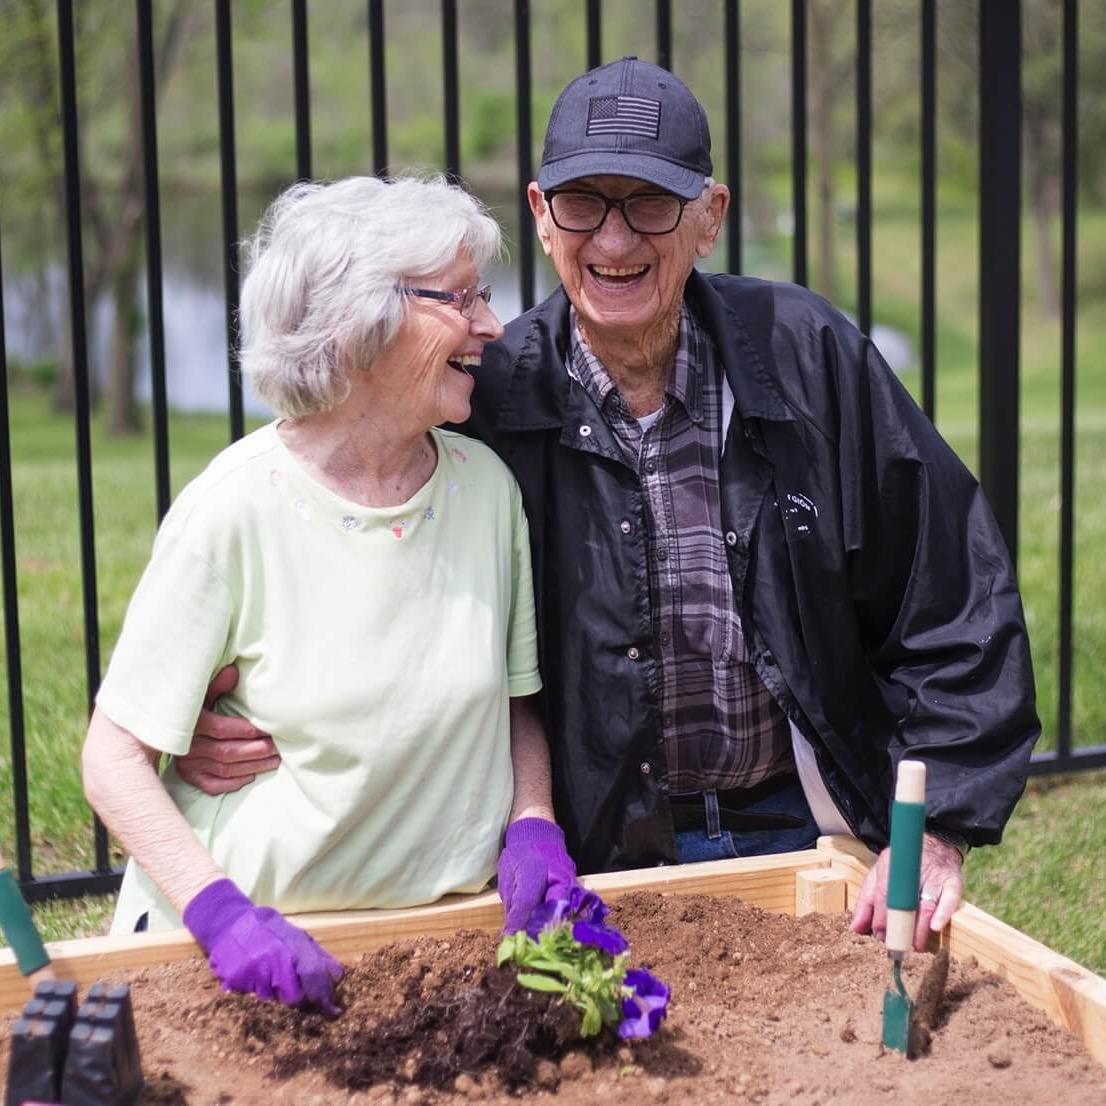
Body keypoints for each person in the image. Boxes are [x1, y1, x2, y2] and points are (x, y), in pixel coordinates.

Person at [177, 59, 1040, 953]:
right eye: (586, 203)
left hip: (809, 825)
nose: (616, 242)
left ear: (710, 217)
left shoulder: (808, 355)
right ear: (543, 214)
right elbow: (335, 505)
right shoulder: (484, 401)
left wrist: (937, 822)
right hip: (593, 851)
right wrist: (220, 695)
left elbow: (949, 592)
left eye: (650, 204)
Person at [82, 174, 577, 1013]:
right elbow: (113, 758)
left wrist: (534, 826)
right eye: (461, 300)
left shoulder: (486, 491)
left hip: (440, 958)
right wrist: (222, 918)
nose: (491, 325)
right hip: (243, 960)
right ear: (362, 326)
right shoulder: (234, 509)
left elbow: (514, 703)